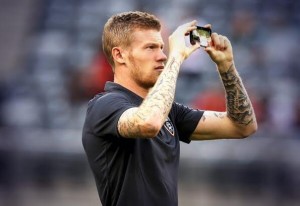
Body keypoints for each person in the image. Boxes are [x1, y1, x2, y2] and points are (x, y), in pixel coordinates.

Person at [82, 11, 257, 206]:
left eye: (162, 48)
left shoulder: (170, 112)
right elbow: (149, 122)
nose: (162, 56)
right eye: (150, 48)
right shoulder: (104, 105)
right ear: (119, 55)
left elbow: (243, 126)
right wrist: (177, 56)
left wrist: (226, 67)